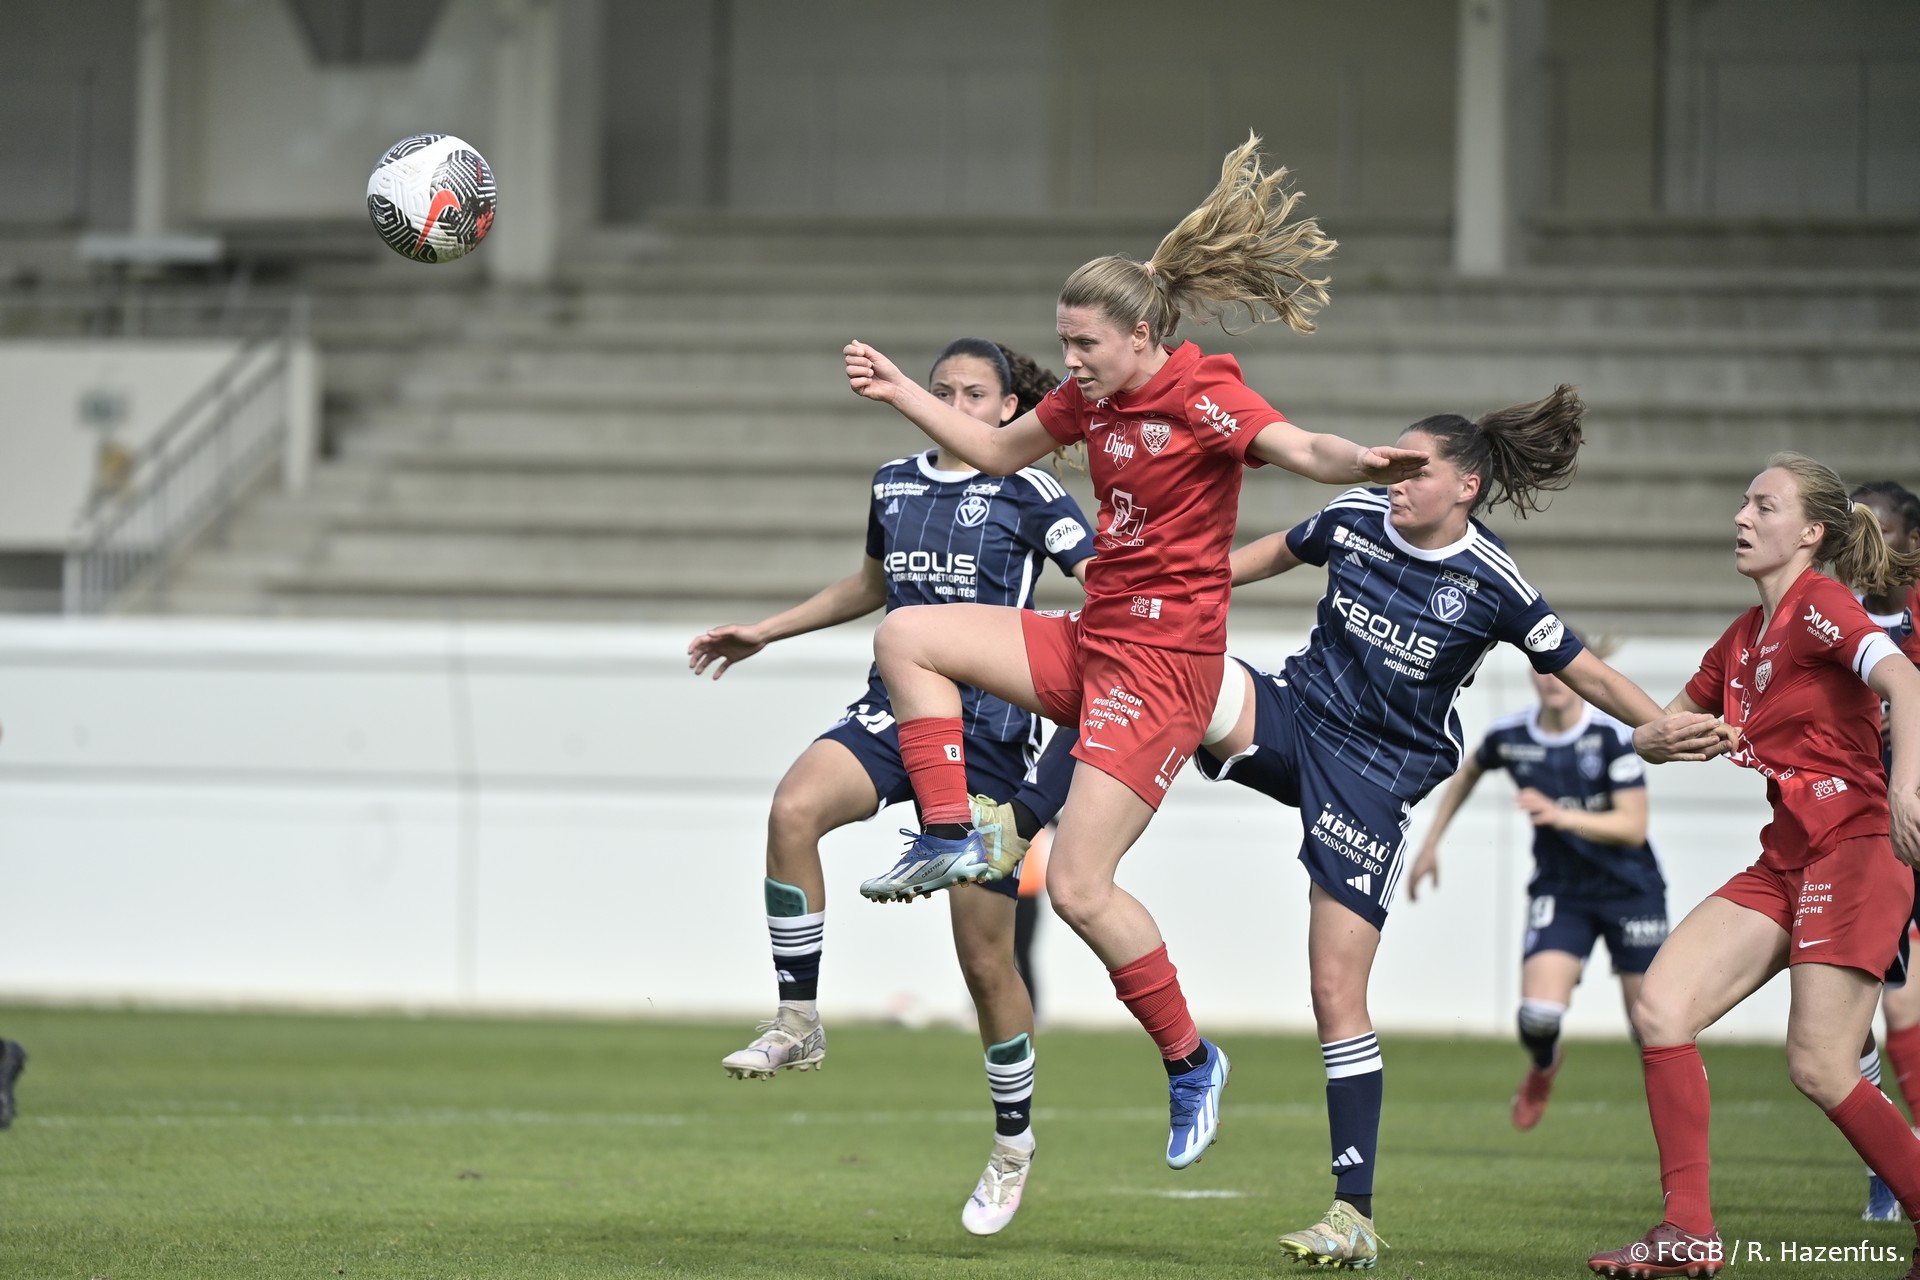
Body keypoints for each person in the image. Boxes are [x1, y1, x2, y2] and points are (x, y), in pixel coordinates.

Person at [842, 133, 1428, 1173]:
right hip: (1092, 640)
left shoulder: (1203, 396)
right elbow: (991, 445)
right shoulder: (1088, 401)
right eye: (1062, 341)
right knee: (907, 632)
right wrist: (901, 391)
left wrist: (1364, 461)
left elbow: (1301, 448)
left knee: (1076, 885)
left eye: (1084, 344)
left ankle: (1192, 1058)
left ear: (1142, 332)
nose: (1067, 362)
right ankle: (955, 831)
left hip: (1165, 674)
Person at [1194, 388, 1729, 1269]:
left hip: (1373, 780)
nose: (1395, 478)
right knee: (1180, 673)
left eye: (1417, 469)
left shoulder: (1492, 578)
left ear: (1468, 486)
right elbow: (1272, 553)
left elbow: (1583, 666)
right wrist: (1179, 585)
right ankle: (1028, 817)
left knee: (1334, 994)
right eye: (1394, 463)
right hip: (1296, 716)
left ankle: (1352, 1214)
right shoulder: (1357, 511)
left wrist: (1653, 727)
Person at [688, 338, 1091, 1236]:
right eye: (941, 388)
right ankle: (799, 1017)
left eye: (972, 393)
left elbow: (1099, 582)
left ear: (1008, 409)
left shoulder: (1030, 490)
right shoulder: (894, 482)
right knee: (793, 809)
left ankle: (1013, 1145)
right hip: (895, 714)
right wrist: (768, 630)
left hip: (989, 736)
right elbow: (872, 585)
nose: (952, 402)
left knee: (987, 963)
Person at [1586, 454, 1920, 1279]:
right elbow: (1665, 728)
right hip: (1788, 857)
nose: (1741, 516)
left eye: (1762, 506)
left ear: (1810, 532)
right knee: (1661, 1007)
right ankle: (1688, 1231)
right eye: (1743, 502)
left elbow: (1905, 682)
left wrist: (1908, 784)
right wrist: (1650, 739)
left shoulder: (1822, 607)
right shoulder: (1742, 638)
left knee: (1818, 1066)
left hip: (1856, 848)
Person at [1407, 641, 1670, 1131]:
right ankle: (1545, 1066)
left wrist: (1559, 816)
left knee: (1650, 1027)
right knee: (1537, 1017)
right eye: (1541, 670)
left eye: (1560, 671)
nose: (1551, 680)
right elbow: (1468, 773)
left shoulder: (1614, 736)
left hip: (1631, 892)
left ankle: (1674, 1129)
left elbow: (1633, 826)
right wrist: (1431, 843)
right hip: (1562, 891)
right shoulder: (1511, 736)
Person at [1849, 480, 1920, 1222]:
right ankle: (1887, 1154)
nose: (1865, 543)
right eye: (1854, 527)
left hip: (1911, 822)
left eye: (1881, 531)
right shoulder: (1824, 613)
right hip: (1858, 834)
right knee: (1859, 1010)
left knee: (1903, 1003)